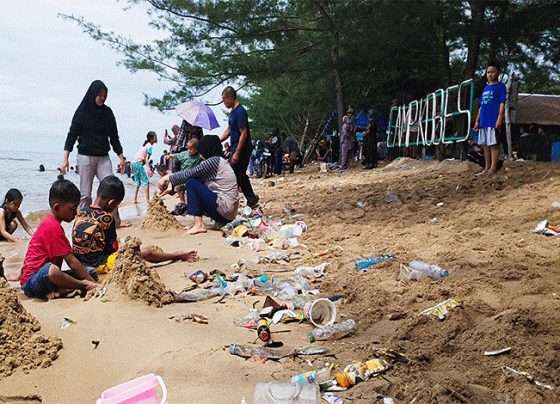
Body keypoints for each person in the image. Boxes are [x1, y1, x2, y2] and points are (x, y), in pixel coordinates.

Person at [72, 176, 197, 276]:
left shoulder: (82, 212)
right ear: (112, 203)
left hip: (79, 265)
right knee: (145, 252)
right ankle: (177, 255)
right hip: (98, 266)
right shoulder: (107, 218)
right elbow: (113, 249)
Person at [6, 179, 98, 300]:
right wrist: (93, 284)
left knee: (90, 271)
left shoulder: (54, 225)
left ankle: (61, 290)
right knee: (53, 271)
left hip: (47, 279)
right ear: (57, 208)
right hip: (32, 282)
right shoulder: (51, 226)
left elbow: (32, 255)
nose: (75, 213)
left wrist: (90, 278)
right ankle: (83, 286)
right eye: (72, 208)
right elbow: (70, 261)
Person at [62, 80, 130, 227]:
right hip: (85, 157)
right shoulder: (81, 112)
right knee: (85, 194)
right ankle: (84, 224)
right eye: (99, 95)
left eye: (104, 95)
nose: (102, 98)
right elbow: (71, 136)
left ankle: (115, 222)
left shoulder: (107, 113)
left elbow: (114, 136)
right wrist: (65, 159)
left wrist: (121, 156)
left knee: (112, 189)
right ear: (92, 94)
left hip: (103, 157)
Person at [158, 135, 239, 235]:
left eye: (202, 151)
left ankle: (198, 224)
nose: (201, 155)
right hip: (228, 212)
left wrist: (167, 178)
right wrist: (171, 184)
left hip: (225, 210)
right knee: (195, 182)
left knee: (191, 182)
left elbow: (190, 173)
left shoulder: (213, 161)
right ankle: (197, 222)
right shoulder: (220, 161)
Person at [220, 86, 259, 208]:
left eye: (225, 100)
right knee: (241, 176)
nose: (224, 103)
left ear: (231, 98)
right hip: (234, 148)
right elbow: (229, 129)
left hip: (242, 149)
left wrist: (237, 153)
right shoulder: (232, 112)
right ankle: (252, 200)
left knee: (233, 176)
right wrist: (218, 140)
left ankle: (229, 205)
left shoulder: (240, 111)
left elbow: (244, 133)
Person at [473, 61, 506, 174]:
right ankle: (486, 167)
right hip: (483, 121)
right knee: (485, 145)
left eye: (492, 72)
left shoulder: (500, 86)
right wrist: (477, 121)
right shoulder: (485, 88)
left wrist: (499, 118)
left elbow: (502, 103)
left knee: (493, 145)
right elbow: (481, 106)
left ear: (498, 73)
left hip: (492, 120)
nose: (490, 74)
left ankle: (493, 167)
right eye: (488, 72)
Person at [132, 131, 157, 204]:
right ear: (151, 139)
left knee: (137, 182)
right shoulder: (149, 146)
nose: (156, 138)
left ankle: (134, 200)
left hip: (134, 163)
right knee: (146, 182)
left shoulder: (146, 145)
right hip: (138, 163)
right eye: (155, 137)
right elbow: (146, 159)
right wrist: (149, 169)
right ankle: (147, 200)